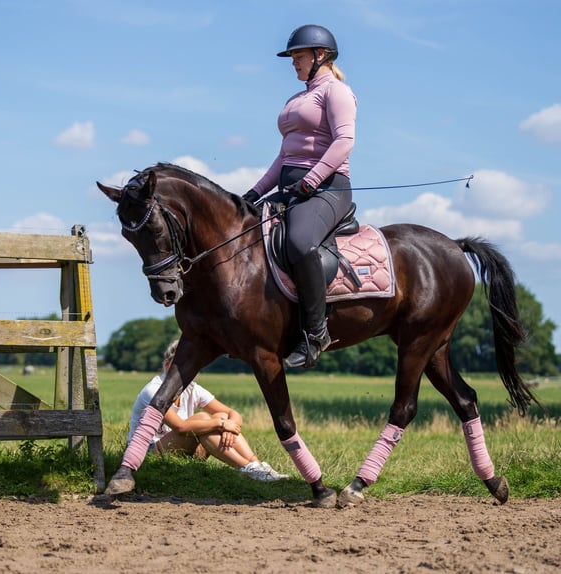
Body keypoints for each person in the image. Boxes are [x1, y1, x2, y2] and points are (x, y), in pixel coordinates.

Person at [242, 24, 357, 369]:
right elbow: (284, 157)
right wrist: (255, 192)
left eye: (298, 55)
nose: (293, 62)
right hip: (293, 186)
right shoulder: (296, 99)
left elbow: (344, 143)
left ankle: (316, 333)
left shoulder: (337, 92)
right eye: (292, 56)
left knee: (299, 241)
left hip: (328, 188)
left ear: (320, 55)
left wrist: (312, 180)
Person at [128, 339, 288, 482]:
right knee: (207, 418)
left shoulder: (192, 389)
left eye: (194, 364)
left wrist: (226, 424)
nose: (191, 369)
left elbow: (234, 414)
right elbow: (180, 427)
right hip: (149, 451)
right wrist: (221, 424)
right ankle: (247, 468)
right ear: (168, 364)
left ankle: (257, 466)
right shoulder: (154, 390)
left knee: (219, 416)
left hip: (182, 446)